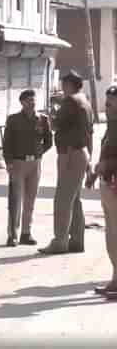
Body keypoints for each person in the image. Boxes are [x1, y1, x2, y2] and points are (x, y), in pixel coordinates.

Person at [39, 70, 93, 255]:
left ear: (70, 84)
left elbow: (56, 125)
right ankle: (77, 240)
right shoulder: (85, 102)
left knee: (63, 199)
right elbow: (89, 133)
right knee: (74, 199)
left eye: (64, 83)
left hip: (70, 153)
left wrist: (51, 116)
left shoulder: (70, 101)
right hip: (81, 153)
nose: (62, 86)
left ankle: (60, 240)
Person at [2, 89, 52, 247]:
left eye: (34, 100)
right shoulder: (13, 120)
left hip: (34, 164)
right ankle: (12, 235)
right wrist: (9, 162)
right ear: (22, 102)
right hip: (18, 163)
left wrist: (38, 154)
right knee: (15, 200)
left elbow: (48, 141)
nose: (32, 102)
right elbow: (7, 143)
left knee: (30, 200)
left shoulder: (42, 119)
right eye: (29, 100)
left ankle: (26, 232)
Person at [90, 85, 117, 296]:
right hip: (108, 184)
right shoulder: (111, 126)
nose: (106, 106)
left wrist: (106, 165)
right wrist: (96, 172)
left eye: (110, 102)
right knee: (111, 235)